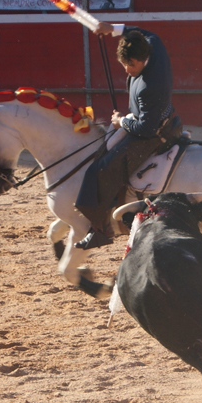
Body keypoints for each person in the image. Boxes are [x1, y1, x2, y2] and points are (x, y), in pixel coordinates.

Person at [74, 22, 179, 250]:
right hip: (150, 118)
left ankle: (101, 230)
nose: (127, 70)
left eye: (131, 65)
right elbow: (146, 32)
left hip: (156, 132)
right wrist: (112, 28)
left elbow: (146, 129)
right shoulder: (154, 45)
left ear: (143, 59)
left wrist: (121, 121)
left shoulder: (151, 85)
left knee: (102, 169)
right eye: (124, 64)